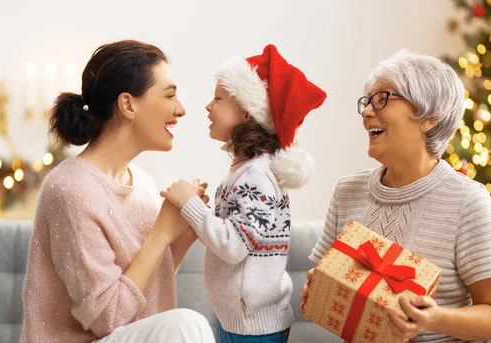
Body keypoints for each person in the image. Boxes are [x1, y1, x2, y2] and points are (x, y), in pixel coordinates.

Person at [302, 50, 491, 342]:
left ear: (428, 117)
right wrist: (319, 285)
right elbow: (322, 279)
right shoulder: (347, 191)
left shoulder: (468, 201)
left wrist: (434, 319)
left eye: (382, 99)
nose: (366, 112)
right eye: (366, 101)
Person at [20, 40, 215, 343]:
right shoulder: (70, 189)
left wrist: (182, 238)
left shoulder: (144, 184)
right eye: (170, 95)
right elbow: (108, 318)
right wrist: (162, 232)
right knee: (186, 326)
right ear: (128, 104)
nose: (181, 109)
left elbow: (138, 294)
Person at [161, 44, 326, 343]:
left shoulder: (256, 176)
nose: (208, 107)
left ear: (248, 111)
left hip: (254, 329)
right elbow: (242, 235)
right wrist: (200, 211)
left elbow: (234, 246)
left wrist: (189, 205)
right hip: (242, 322)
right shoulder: (245, 170)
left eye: (218, 99)